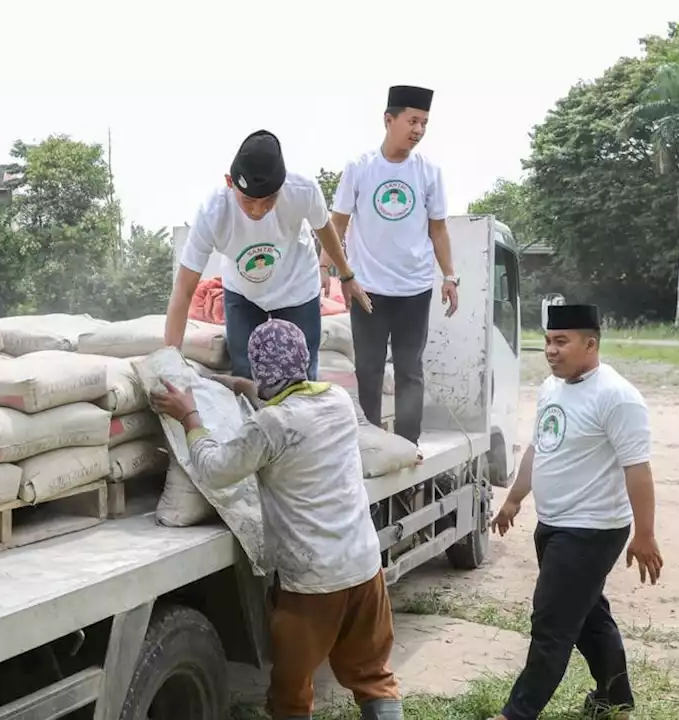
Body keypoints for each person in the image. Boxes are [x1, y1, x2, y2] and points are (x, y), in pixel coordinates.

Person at [151, 319, 402, 720]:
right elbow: (287, 397)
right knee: (373, 677)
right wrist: (242, 387)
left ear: (259, 370)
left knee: (291, 695)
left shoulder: (272, 424)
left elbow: (216, 469)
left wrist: (190, 417)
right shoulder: (337, 400)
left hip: (313, 584)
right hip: (364, 567)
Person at [489, 303, 663, 720]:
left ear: (591, 343)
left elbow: (637, 469)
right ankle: (616, 701)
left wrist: (645, 533)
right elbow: (540, 446)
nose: (551, 350)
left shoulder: (617, 397)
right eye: (548, 341)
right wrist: (515, 498)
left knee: (552, 623)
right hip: (554, 524)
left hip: (591, 529)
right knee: (587, 616)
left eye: (561, 342)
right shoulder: (553, 388)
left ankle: (517, 713)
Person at [165, 129, 371, 380]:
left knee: (301, 376)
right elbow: (184, 289)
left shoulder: (302, 190)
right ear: (230, 183)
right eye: (248, 201)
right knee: (245, 372)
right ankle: (255, 420)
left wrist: (347, 276)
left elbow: (325, 229)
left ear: (281, 188)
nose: (258, 211)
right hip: (243, 294)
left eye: (268, 201)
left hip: (297, 288)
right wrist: (170, 362)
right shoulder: (213, 213)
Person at [330, 85, 457, 454]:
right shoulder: (359, 168)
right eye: (412, 121)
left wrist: (449, 276)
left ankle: (407, 444)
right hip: (366, 287)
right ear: (389, 119)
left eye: (424, 123)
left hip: (414, 288)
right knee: (367, 370)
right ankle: (369, 443)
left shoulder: (429, 172)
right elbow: (337, 223)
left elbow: (438, 228)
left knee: (409, 371)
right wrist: (327, 266)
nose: (418, 130)